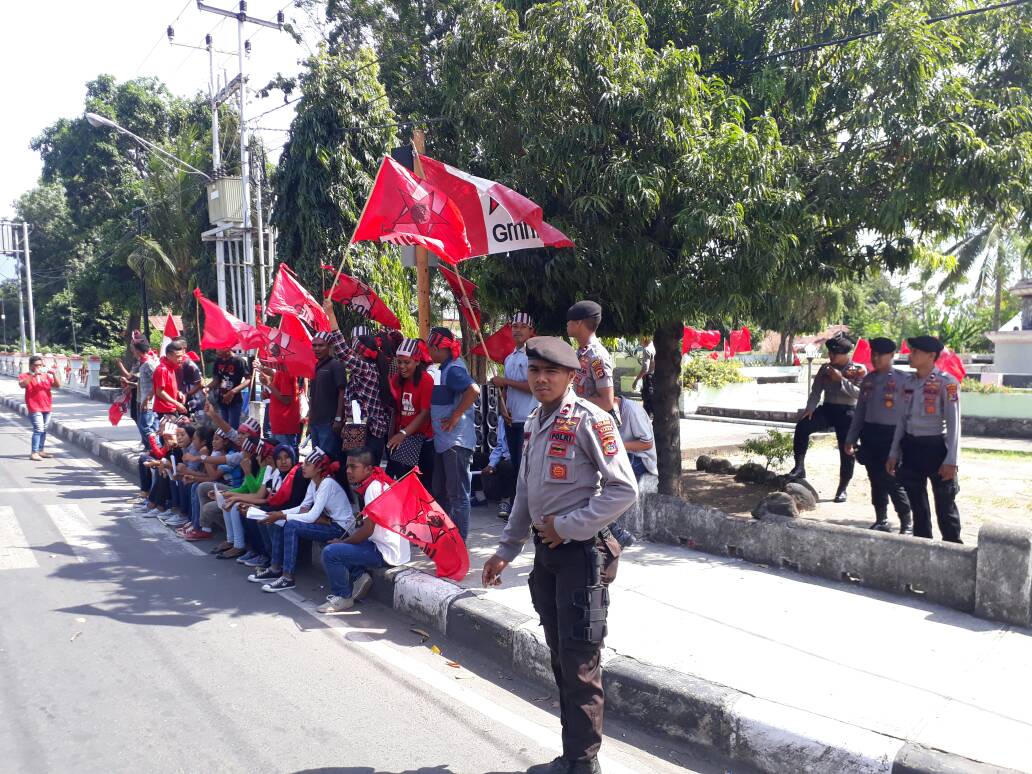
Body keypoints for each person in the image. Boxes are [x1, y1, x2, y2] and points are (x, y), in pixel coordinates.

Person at [482, 337, 638, 774]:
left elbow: (624, 490)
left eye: (550, 372)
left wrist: (566, 526)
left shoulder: (591, 419)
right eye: (534, 371)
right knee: (560, 658)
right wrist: (506, 550)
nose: (540, 379)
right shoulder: (534, 421)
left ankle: (583, 764)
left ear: (571, 376)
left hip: (581, 555)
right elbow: (525, 493)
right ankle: (572, 758)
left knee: (580, 663)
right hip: (546, 558)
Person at [887, 336, 963, 543]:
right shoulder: (909, 383)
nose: (910, 355)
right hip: (911, 448)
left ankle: (954, 550)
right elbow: (902, 420)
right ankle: (922, 547)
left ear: (931, 356)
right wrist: (894, 452)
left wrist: (952, 460)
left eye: (916, 352)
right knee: (918, 507)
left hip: (936, 448)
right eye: (911, 352)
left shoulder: (947, 383)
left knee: (945, 507)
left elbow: (955, 424)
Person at [317, 447, 412, 613]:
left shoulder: (372, 489)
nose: (348, 471)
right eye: (347, 466)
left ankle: (343, 597)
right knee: (337, 541)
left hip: (385, 552)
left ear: (368, 469)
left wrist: (342, 542)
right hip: (387, 546)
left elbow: (367, 530)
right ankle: (359, 576)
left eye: (354, 467)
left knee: (330, 551)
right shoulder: (377, 482)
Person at [258, 447, 356, 592]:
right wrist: (278, 513)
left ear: (318, 469)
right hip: (330, 524)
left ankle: (288, 577)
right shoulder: (314, 482)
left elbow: (311, 516)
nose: (303, 467)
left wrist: (282, 515)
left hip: (340, 529)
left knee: (291, 525)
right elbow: (303, 507)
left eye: (308, 464)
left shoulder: (326, 484)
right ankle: (275, 567)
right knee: (280, 521)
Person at [845, 338, 912, 534]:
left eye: (880, 355)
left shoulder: (904, 380)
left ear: (892, 356)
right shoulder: (868, 380)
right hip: (870, 434)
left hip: (893, 436)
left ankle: (906, 522)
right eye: (873, 354)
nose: (875, 358)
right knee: (875, 478)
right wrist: (851, 438)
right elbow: (860, 412)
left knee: (892, 479)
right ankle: (881, 518)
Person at [789, 331, 866, 502]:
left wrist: (841, 380)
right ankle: (799, 467)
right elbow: (816, 390)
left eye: (834, 353)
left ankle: (843, 488)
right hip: (828, 408)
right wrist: (810, 408)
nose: (830, 356)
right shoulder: (825, 368)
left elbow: (860, 395)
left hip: (848, 412)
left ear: (844, 354)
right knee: (802, 426)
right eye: (830, 352)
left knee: (847, 449)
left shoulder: (858, 370)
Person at [427, 327, 480, 541]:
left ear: (439, 348)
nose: (429, 352)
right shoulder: (448, 367)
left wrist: (456, 415)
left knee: (458, 495)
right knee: (443, 492)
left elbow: (473, 390)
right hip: (445, 442)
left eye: (431, 348)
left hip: (455, 443)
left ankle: (458, 543)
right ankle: (446, 538)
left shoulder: (453, 370)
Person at [325, 300, 393, 464]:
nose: (352, 355)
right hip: (360, 430)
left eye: (355, 351)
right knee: (355, 476)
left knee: (362, 479)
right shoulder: (368, 370)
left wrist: (331, 314)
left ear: (361, 354)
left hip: (367, 435)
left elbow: (342, 352)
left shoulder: (366, 370)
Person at [491, 312, 539, 471]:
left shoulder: (533, 356)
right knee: (516, 465)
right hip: (511, 419)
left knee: (526, 466)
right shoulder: (509, 358)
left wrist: (504, 381)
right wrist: (503, 407)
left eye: (523, 327)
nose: (518, 330)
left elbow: (533, 387)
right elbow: (506, 389)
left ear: (531, 331)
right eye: (515, 326)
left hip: (528, 419)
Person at [386, 338, 435, 489]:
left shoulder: (426, 380)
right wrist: (392, 434)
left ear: (417, 361)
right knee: (400, 481)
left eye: (406, 362)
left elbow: (425, 413)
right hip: (402, 438)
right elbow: (395, 410)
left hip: (421, 440)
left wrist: (403, 433)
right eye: (399, 362)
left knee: (420, 486)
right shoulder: (396, 379)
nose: (402, 366)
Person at [566, 300, 616, 418]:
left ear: (579, 322)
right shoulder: (581, 352)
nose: (567, 324)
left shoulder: (596, 356)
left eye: (569, 320)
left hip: (591, 423)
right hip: (579, 420)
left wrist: (571, 400)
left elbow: (607, 403)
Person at [309, 331, 349, 461]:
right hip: (315, 421)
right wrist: (310, 420)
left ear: (330, 346)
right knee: (316, 461)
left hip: (329, 423)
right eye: (314, 345)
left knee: (328, 461)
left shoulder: (336, 365)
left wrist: (338, 418)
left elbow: (342, 393)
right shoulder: (315, 366)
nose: (317, 349)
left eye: (321, 345)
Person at [18, 354, 59, 461]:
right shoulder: (25, 375)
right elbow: (23, 385)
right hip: (34, 407)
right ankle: (34, 452)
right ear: (31, 365)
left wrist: (54, 375)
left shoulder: (45, 375)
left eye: (40, 365)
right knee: (38, 429)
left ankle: (41, 450)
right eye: (36, 365)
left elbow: (57, 385)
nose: (39, 367)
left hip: (47, 406)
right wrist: (33, 375)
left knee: (44, 429)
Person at [258, 361, 301, 450]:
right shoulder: (281, 370)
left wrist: (269, 383)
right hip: (279, 425)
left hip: (284, 426)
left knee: (284, 456)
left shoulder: (285, 370)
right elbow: (280, 392)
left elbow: (286, 399)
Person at [208, 347, 250, 429]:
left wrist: (233, 392)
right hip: (221, 400)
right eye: (217, 349)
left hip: (235, 400)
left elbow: (248, 379)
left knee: (233, 428)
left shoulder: (239, 361)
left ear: (228, 348)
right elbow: (216, 380)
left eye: (220, 349)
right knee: (223, 427)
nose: (217, 351)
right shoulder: (218, 361)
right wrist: (207, 388)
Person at [481, 421, 515, 520]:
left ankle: (507, 501)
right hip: (507, 456)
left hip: (524, 457)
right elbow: (500, 445)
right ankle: (481, 497)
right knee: (479, 457)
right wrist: (491, 464)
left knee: (507, 466)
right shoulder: (502, 420)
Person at [132, 339, 160, 443]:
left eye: (134, 350)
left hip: (150, 402)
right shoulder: (142, 363)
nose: (133, 352)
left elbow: (158, 383)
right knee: (143, 426)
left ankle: (156, 449)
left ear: (138, 351)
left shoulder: (149, 364)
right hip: (144, 400)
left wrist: (147, 399)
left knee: (146, 427)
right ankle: (149, 449)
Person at [153, 341, 188, 421]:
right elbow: (159, 392)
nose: (180, 359)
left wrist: (178, 392)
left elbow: (168, 387)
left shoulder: (171, 367)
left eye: (181, 356)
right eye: (178, 356)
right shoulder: (162, 369)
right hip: (164, 410)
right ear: (168, 356)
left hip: (170, 409)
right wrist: (176, 403)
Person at [632, 336, 656, 418]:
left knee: (647, 403)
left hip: (649, 379)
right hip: (656, 377)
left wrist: (636, 381)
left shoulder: (647, 350)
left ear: (644, 338)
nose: (639, 342)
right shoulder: (655, 347)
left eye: (639, 339)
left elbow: (645, 369)